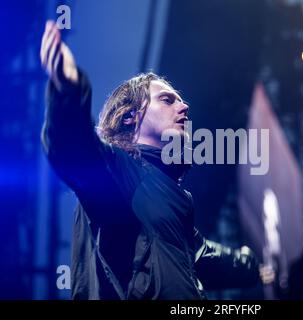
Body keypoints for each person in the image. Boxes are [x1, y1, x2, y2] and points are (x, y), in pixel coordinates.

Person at [39, 20, 259, 300]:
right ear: (130, 115)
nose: (184, 107)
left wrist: (252, 266)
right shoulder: (120, 172)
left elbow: (205, 256)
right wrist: (69, 93)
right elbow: (75, 151)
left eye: (180, 102)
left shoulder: (171, 200)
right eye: (168, 100)